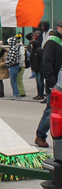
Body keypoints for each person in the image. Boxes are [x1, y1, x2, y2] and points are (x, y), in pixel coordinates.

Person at [35, 20, 62, 148]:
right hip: (56, 84)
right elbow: (47, 65)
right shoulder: (52, 42)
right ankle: (40, 135)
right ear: (59, 28)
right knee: (51, 110)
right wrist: (52, 83)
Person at [5, 35, 21, 99]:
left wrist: (6, 63)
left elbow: (11, 59)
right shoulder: (14, 48)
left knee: (13, 81)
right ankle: (16, 93)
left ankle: (16, 94)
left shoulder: (13, 49)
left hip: (13, 66)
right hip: (14, 66)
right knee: (13, 80)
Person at [16, 33, 27, 97]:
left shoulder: (21, 47)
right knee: (17, 78)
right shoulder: (18, 46)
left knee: (19, 79)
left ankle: (22, 92)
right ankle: (19, 91)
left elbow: (22, 56)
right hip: (19, 64)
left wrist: (20, 64)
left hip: (21, 65)